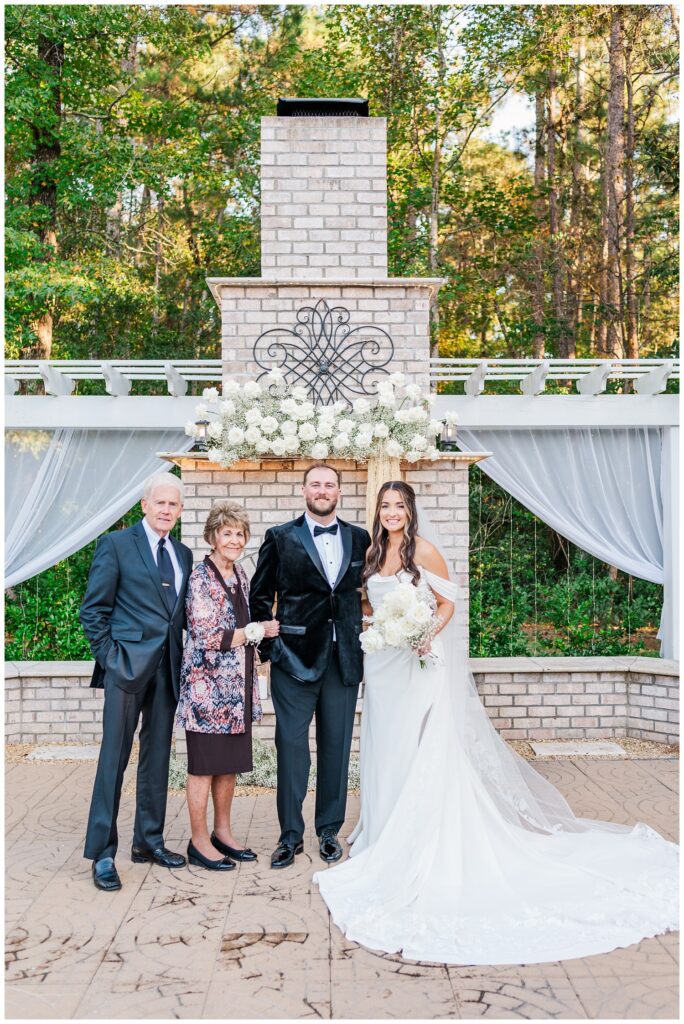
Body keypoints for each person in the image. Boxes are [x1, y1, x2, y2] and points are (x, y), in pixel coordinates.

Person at [314, 481, 678, 965]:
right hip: (382, 666)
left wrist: (424, 633)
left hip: (416, 662)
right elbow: (368, 603)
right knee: (383, 744)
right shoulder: (373, 551)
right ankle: (381, 828)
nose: (392, 512)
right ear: (377, 511)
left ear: (410, 509)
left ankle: (413, 833)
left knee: (416, 744)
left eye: (399, 505)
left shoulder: (425, 550)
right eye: (385, 505)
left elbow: (447, 602)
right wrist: (376, 622)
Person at [250, 464, 371, 869]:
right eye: (316, 484)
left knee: (336, 748)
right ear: (304, 490)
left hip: (343, 661)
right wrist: (272, 649)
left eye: (330, 484)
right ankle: (290, 834)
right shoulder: (280, 537)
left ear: (340, 491)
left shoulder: (360, 538)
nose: (323, 490)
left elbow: (366, 594)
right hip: (294, 661)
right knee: (291, 746)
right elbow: (259, 596)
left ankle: (328, 831)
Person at [80, 472, 193, 892]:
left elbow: (176, 616)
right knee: (114, 759)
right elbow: (93, 611)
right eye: (160, 503)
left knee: (157, 759)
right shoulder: (116, 545)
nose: (166, 510)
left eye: (174, 505)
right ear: (144, 504)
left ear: (180, 511)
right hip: (126, 669)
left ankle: (148, 841)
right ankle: (102, 853)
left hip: (167, 670)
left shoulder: (182, 553)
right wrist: (112, 660)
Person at [177, 501, 279, 870]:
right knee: (203, 766)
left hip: (236, 692)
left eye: (240, 533)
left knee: (228, 765)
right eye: (227, 533)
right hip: (207, 692)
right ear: (213, 536)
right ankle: (199, 840)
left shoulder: (241, 575)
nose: (234, 539)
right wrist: (257, 630)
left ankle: (223, 832)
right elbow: (205, 633)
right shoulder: (199, 577)